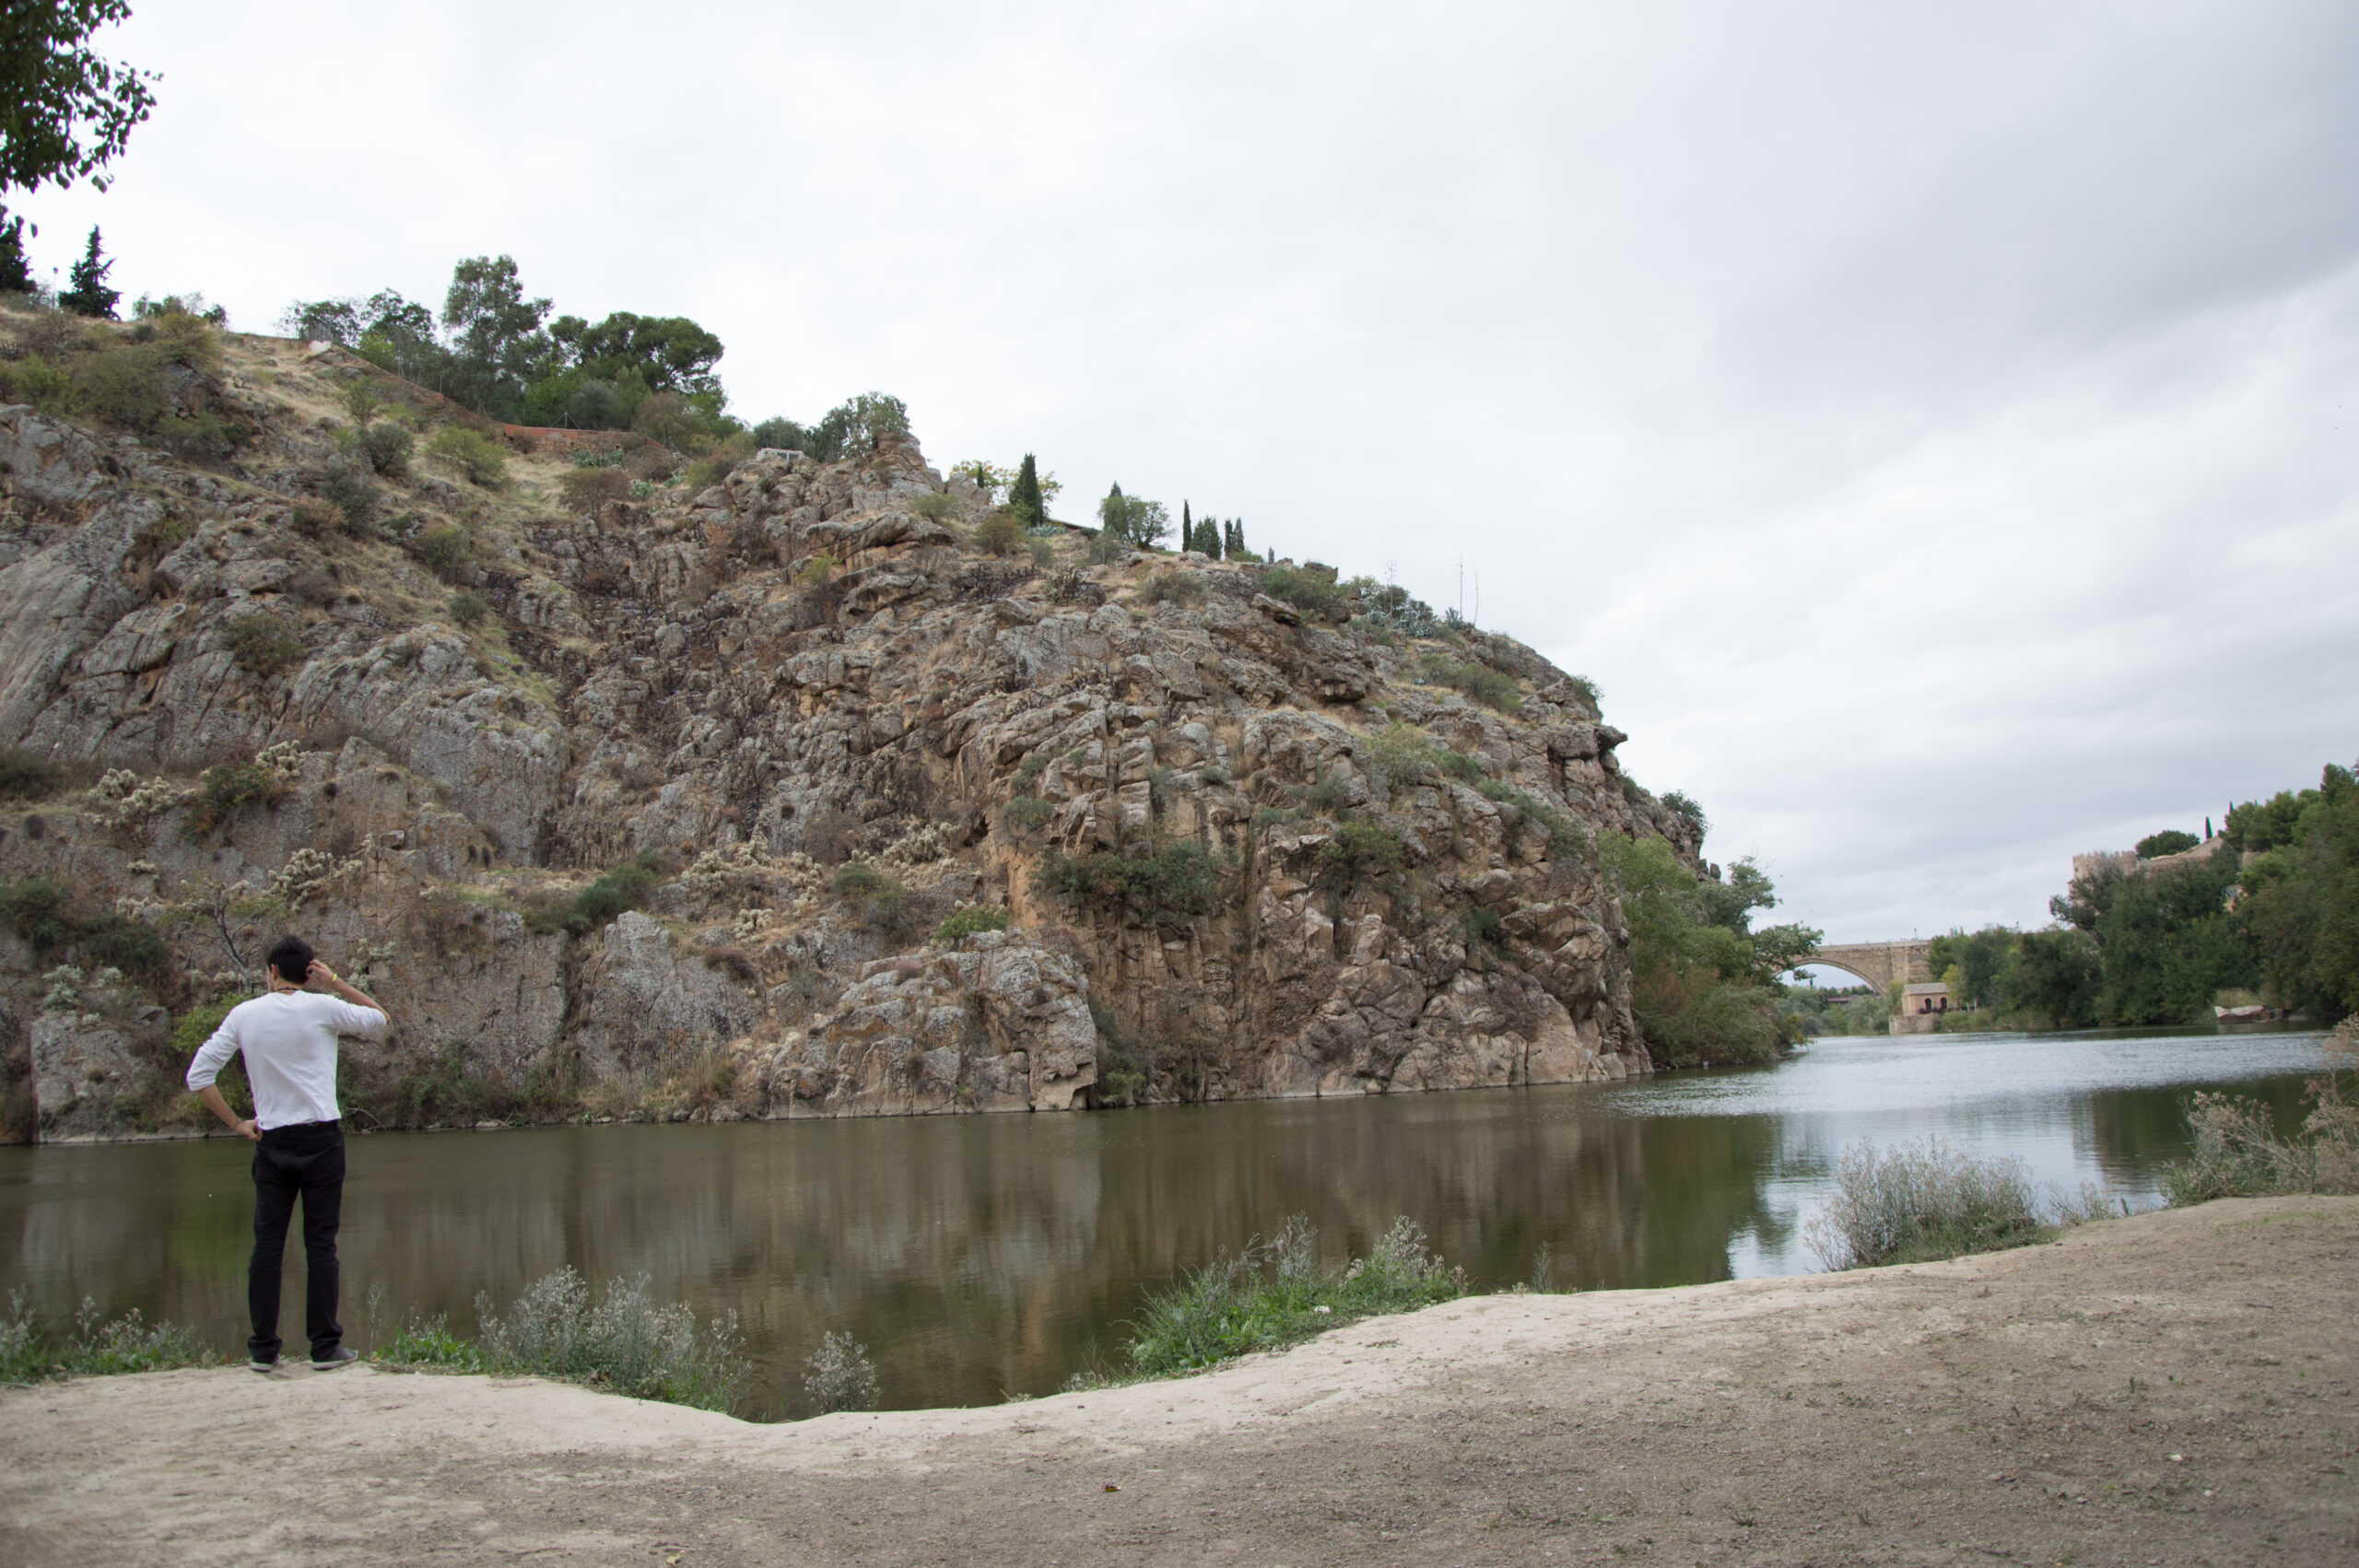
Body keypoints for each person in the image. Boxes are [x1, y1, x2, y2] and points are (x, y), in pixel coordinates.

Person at [187, 935, 389, 1374]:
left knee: (267, 1248)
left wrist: (238, 1123)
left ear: (272, 971)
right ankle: (324, 1348)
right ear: (307, 972)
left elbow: (199, 1075)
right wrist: (335, 982)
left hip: (272, 1142)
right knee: (320, 1245)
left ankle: (262, 1349)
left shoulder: (244, 1015)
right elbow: (379, 1018)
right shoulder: (323, 1007)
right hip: (322, 1139)